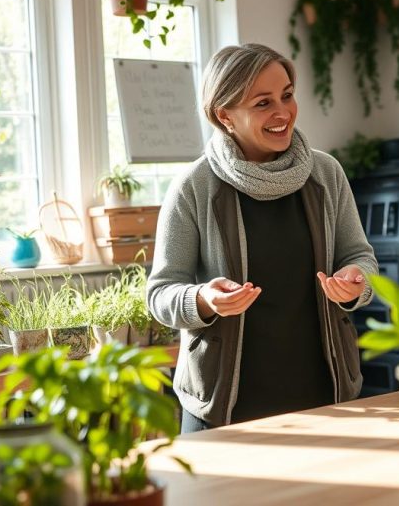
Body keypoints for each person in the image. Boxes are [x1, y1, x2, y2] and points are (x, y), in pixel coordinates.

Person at [147, 43, 378, 433]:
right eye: (262, 103)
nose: (283, 112)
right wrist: (205, 299)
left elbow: (360, 256)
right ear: (225, 116)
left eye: (287, 95)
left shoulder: (326, 173)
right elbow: (161, 294)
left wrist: (355, 280)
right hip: (223, 408)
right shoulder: (193, 186)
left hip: (326, 396)